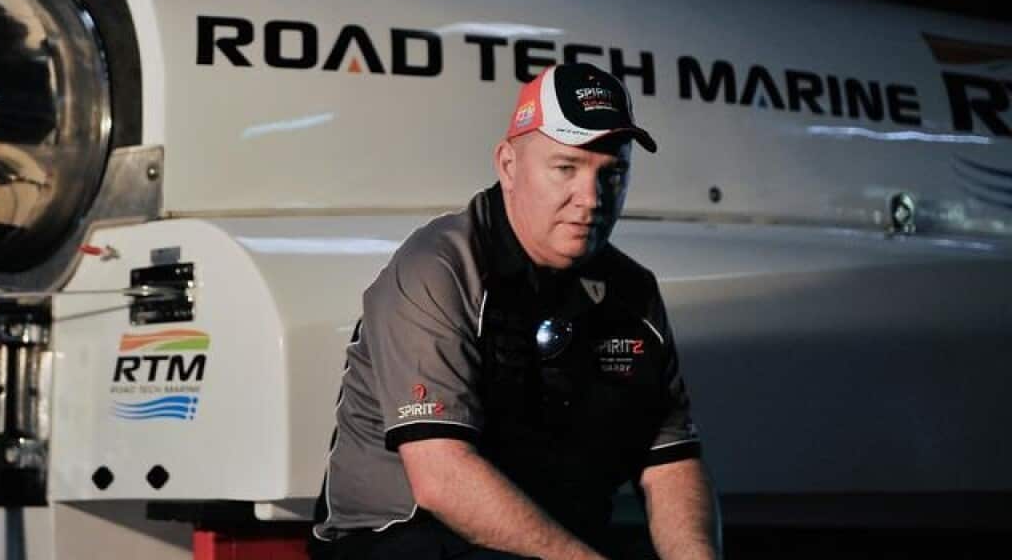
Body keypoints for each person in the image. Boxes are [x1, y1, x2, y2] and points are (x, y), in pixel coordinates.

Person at [309, 63, 721, 559]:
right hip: (404, 538)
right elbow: (441, 477)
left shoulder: (633, 292)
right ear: (508, 164)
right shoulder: (439, 266)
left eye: (612, 172)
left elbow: (670, 461)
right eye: (566, 168)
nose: (590, 199)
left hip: (548, 540)